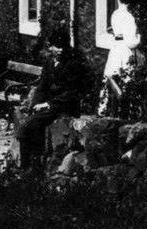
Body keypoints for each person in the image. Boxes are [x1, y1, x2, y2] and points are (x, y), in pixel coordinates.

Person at [15, 29, 91, 166]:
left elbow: (72, 92)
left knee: (27, 126)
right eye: (57, 47)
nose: (60, 50)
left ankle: (28, 166)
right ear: (51, 47)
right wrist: (34, 105)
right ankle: (32, 164)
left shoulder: (73, 64)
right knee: (31, 123)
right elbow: (42, 87)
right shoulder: (49, 63)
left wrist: (48, 104)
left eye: (63, 47)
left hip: (63, 106)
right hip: (48, 105)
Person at [99, 0, 144, 115]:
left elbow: (117, 33)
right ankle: (128, 112)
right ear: (132, 3)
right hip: (125, 51)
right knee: (127, 80)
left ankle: (107, 110)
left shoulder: (115, 14)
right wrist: (139, 37)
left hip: (115, 49)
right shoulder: (129, 18)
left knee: (112, 77)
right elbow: (131, 42)